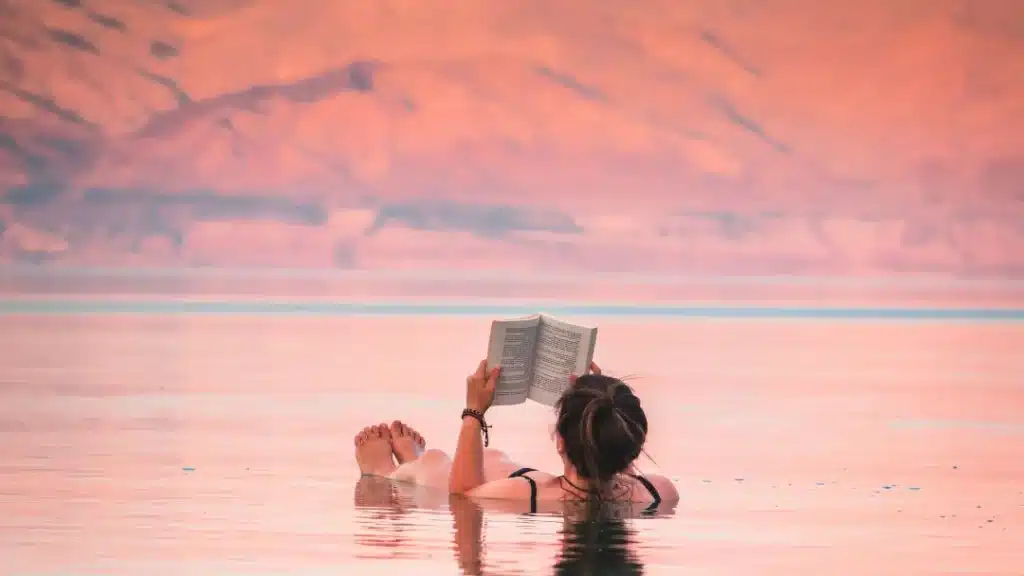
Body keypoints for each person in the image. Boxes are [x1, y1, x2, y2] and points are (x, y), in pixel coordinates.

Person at [353, 359, 679, 512]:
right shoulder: (660, 492)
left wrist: (474, 413)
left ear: (560, 440)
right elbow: (613, 461)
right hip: (532, 479)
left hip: (530, 486)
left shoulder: (517, 495)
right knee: (495, 459)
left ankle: (387, 471)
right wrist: (601, 407)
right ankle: (413, 461)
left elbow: (463, 492)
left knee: (437, 464)